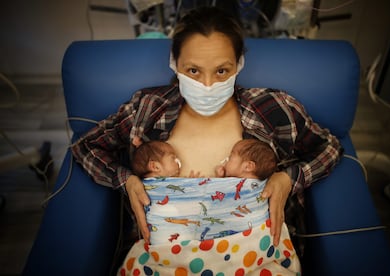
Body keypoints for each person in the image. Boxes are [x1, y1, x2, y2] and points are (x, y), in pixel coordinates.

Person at [71, 6, 343, 259]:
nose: (208, 84)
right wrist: (126, 181)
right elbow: (86, 147)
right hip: (163, 260)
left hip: (251, 259)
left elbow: (329, 147)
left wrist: (288, 180)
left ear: (239, 64)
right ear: (174, 63)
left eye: (222, 70)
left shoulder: (273, 108)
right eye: (193, 70)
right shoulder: (147, 108)